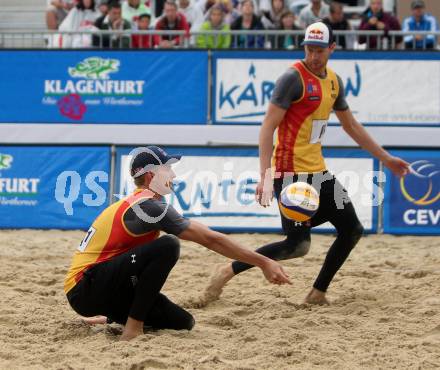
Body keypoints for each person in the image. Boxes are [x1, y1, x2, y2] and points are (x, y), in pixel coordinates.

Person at [203, 22, 409, 306]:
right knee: (297, 246)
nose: (314, 56)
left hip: (319, 173)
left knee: (352, 230)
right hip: (290, 175)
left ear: (332, 49)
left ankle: (317, 293)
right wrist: (266, 176)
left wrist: (385, 158)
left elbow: (351, 126)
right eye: (309, 49)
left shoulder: (334, 81)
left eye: (320, 50)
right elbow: (267, 128)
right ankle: (227, 271)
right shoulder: (292, 78)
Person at [65, 146, 291, 341]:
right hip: (85, 287)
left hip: (107, 285)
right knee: (168, 246)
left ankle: (111, 317)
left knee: (183, 322)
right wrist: (263, 262)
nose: (173, 174)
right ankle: (133, 329)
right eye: (167, 168)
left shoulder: (147, 202)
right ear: (151, 176)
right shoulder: (147, 207)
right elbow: (211, 239)